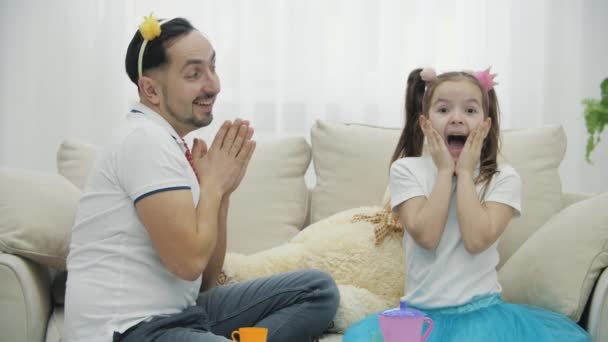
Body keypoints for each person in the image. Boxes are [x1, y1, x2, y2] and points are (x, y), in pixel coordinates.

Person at [63, 15, 339, 342]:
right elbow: (188, 263)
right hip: (129, 330)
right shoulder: (143, 141)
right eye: (194, 74)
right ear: (150, 89)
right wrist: (213, 185)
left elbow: (206, 277)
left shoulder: (168, 143)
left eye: (212, 67)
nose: (213, 85)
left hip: (180, 315)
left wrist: (222, 194)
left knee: (316, 290)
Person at [343, 68, 591, 341]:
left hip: (483, 315)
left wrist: (463, 174)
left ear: (485, 125)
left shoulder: (502, 177)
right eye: (444, 110)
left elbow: (476, 239)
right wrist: (443, 172)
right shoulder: (406, 170)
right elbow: (427, 236)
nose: (457, 118)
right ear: (425, 124)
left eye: (470, 111)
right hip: (420, 317)